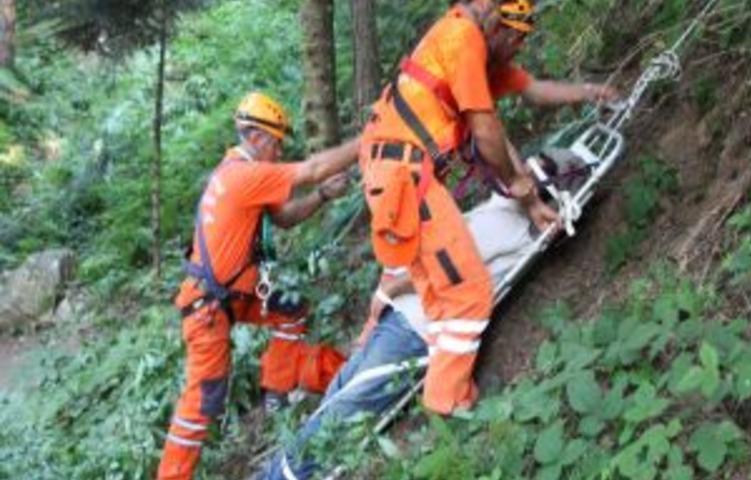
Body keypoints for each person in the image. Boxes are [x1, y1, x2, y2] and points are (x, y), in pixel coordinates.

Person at [259, 148, 587, 480]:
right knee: (335, 404)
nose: (519, 173)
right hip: (406, 320)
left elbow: (443, 266)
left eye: (532, 171)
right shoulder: (501, 211)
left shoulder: (506, 223)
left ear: (543, 192)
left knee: (340, 415)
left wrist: (388, 291)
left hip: (415, 328)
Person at [358, 0, 618, 416]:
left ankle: (443, 384)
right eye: (516, 40)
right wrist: (522, 190)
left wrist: (590, 93)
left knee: (445, 297)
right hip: (404, 177)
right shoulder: (465, 42)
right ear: (498, 28)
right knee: (470, 293)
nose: (518, 49)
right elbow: (486, 133)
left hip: (397, 174)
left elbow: (529, 93)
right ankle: (449, 401)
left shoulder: (471, 53)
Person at [158, 92, 360, 480]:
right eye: (277, 141)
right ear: (256, 137)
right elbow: (314, 167)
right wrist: (365, 142)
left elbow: (284, 217)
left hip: (232, 296)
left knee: (290, 308)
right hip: (210, 307)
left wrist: (320, 196)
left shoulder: (238, 171)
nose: (280, 149)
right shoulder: (244, 175)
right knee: (204, 399)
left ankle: (277, 388)